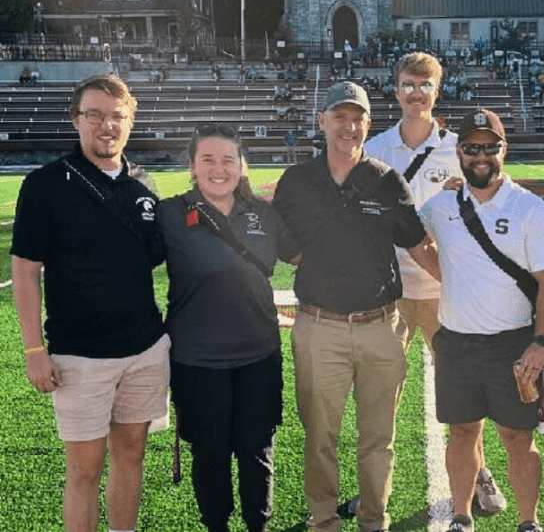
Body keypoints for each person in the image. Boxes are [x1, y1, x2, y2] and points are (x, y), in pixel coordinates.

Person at [272, 81, 440, 532]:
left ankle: (373, 519)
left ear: (368, 124)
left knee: (378, 439)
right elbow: (277, 238)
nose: (349, 127)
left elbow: (419, 245)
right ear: (322, 121)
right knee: (320, 436)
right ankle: (324, 518)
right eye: (340, 117)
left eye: (358, 118)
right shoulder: (297, 181)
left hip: (380, 326)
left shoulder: (385, 179)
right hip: (319, 326)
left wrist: (465, 286)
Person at [11, 74, 169, 532]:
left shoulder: (145, 186)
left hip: (144, 351)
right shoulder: (45, 185)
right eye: (94, 114)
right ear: (75, 119)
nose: (106, 125)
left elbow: (157, 257)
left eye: (117, 116)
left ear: (130, 122)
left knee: (132, 456)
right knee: (83, 470)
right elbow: (25, 268)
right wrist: (33, 349)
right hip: (80, 355)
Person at [364, 52, 508, 515]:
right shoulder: (377, 147)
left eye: (424, 86)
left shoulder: (458, 149)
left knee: (464, 392)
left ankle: (480, 474)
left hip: (446, 288)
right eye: (408, 84)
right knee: (381, 394)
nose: (415, 93)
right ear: (396, 89)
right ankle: (374, 486)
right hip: (388, 290)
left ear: (436, 90)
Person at [421, 109, 544, 532]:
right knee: (462, 433)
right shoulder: (441, 204)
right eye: (471, 148)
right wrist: (447, 271)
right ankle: (461, 517)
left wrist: (541, 341)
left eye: (489, 147)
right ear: (459, 153)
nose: (480, 155)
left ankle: (528, 522)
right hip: (457, 343)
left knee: (518, 437)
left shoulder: (530, 209)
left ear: (504, 150)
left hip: (514, 343)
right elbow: (410, 237)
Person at [157, 124, 299, 532]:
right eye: (208, 160)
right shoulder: (169, 213)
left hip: (258, 355)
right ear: (192, 165)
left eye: (227, 160)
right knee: (210, 454)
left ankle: (259, 525)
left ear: (242, 166)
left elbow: (310, 253)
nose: (218, 169)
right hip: (196, 361)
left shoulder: (265, 214)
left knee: (257, 450)